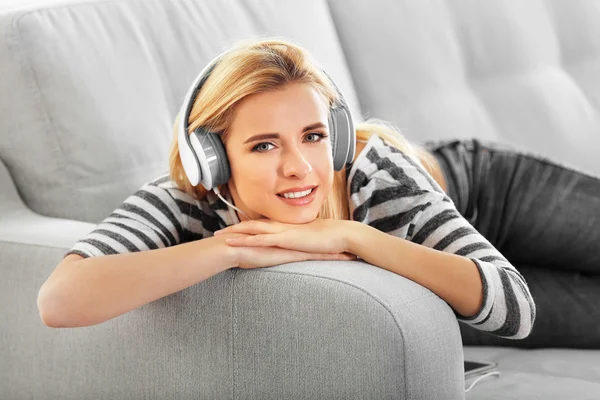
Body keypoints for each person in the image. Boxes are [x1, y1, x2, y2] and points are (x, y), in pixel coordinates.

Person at [37, 37, 539, 337]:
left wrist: (352, 236)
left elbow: (513, 306)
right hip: (449, 274)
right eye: (264, 146)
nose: (300, 167)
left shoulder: (374, 174)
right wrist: (232, 248)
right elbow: (60, 301)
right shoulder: (186, 200)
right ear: (212, 159)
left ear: (337, 137)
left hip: (488, 191)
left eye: (314, 136)